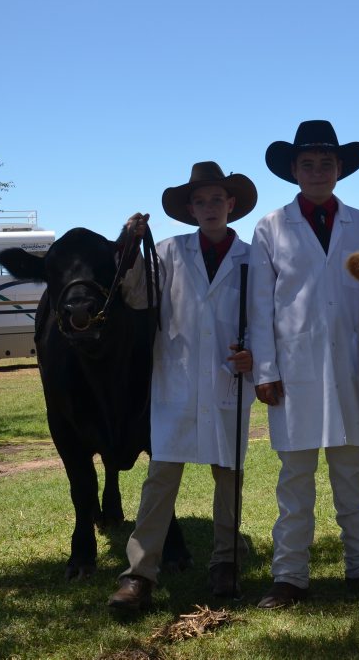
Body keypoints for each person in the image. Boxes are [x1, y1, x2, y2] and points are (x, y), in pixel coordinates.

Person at [248, 120, 359, 609]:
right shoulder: (270, 227)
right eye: (307, 164)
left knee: (350, 472)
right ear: (294, 171)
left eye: (326, 163)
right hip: (292, 370)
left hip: (346, 362)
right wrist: (265, 371)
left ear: (340, 169)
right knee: (294, 479)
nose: (317, 171)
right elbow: (260, 306)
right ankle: (289, 577)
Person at [107, 162, 258, 610]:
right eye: (201, 201)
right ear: (189, 209)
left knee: (229, 476)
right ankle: (139, 573)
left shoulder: (253, 256)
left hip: (229, 379)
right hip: (176, 378)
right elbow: (134, 295)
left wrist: (258, 358)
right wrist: (129, 245)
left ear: (231, 205)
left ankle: (226, 562)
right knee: (161, 479)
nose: (209, 208)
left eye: (217, 200)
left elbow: (266, 318)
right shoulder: (168, 252)